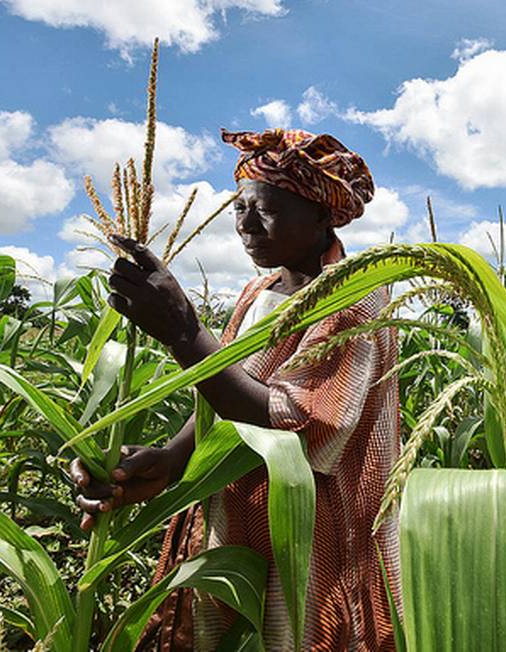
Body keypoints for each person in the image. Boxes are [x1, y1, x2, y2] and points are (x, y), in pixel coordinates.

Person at [69, 127, 401, 651]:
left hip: (311, 537)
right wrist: (173, 458)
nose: (246, 224)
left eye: (264, 209)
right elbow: (222, 387)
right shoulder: (258, 290)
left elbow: (299, 425)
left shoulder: (357, 299)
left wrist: (183, 330)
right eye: (239, 208)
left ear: (320, 213)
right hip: (235, 524)